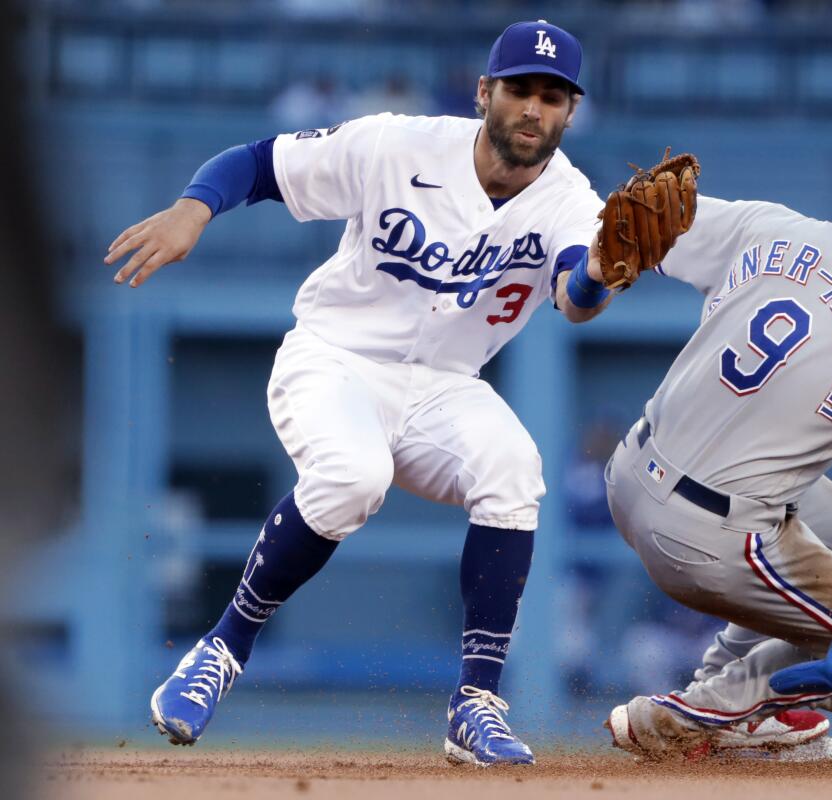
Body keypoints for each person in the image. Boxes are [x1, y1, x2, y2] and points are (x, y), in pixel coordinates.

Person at [106, 19, 630, 766]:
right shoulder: (398, 145)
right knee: (354, 478)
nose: (533, 109)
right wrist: (194, 209)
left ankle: (475, 703)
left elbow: (576, 298)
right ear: (485, 92)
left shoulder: (575, 201)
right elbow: (261, 163)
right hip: (336, 358)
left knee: (514, 470)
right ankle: (223, 648)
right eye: (519, 90)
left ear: (571, 111)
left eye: (552, 96)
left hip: (446, 386)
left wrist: (601, 274)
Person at [602, 139, 832, 761]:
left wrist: (583, 280)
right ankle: (703, 712)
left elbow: (638, 224)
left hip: (628, 473)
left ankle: (723, 695)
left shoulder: (772, 226)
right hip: (704, 544)